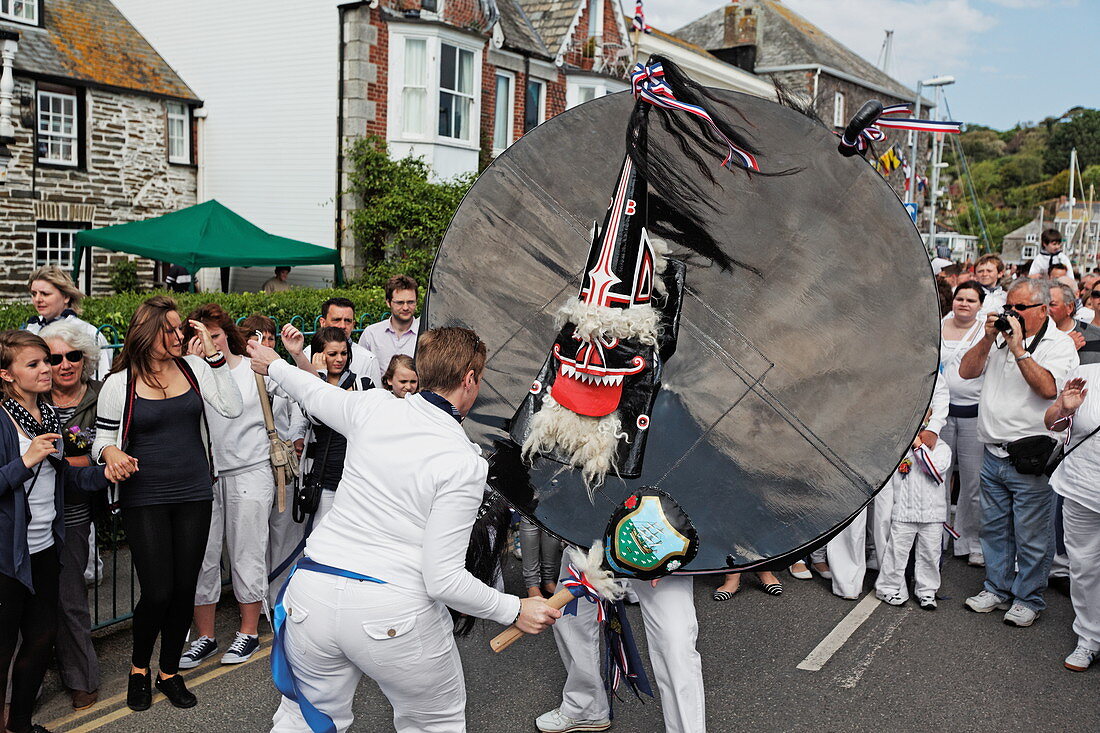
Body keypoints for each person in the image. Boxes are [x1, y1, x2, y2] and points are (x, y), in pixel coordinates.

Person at [248, 326, 560, 732]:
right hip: (392, 612)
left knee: (301, 721)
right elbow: (443, 579)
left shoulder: (373, 406)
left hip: (312, 597)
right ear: (469, 379)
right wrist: (516, 609)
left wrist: (273, 364)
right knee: (435, 724)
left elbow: (312, 392)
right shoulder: (463, 462)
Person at [91, 295, 243, 712]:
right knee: (157, 591)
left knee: (183, 589)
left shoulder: (193, 368)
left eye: (182, 328)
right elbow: (101, 441)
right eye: (171, 330)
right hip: (145, 496)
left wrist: (213, 356)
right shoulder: (119, 383)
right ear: (147, 332)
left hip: (194, 492)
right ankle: (139, 668)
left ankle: (169, 671)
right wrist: (110, 454)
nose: (180, 336)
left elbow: (231, 407)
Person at [0, 330, 111, 733]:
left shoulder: (49, 416)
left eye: (46, 361)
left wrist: (106, 475)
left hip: (47, 544)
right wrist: (25, 461)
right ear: (7, 374)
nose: (47, 368)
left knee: (40, 638)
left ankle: (21, 725)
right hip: (7, 555)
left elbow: (65, 480)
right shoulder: (2, 419)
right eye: (34, 364)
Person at [959, 278, 1079, 626]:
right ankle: (997, 589)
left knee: (1031, 536)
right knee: (993, 530)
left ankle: (1029, 598)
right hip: (992, 452)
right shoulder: (997, 337)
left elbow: (1047, 390)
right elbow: (967, 371)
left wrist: (1020, 349)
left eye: (1020, 308)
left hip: (1030, 458)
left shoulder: (1058, 345)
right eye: (1009, 306)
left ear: (1043, 310)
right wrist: (986, 337)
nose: (1012, 314)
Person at [179, 304, 279, 671]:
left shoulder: (252, 369)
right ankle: (204, 637)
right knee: (202, 555)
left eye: (215, 336)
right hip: (204, 475)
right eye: (199, 337)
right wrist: (191, 365)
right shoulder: (188, 372)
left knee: (247, 552)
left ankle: (249, 630)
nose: (207, 344)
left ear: (227, 335)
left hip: (249, 471)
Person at [39, 321, 104, 710]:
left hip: (74, 509)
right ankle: (19, 691)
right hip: (29, 512)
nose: (64, 365)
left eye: (73, 356)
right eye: (54, 358)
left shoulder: (101, 395)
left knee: (70, 597)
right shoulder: (30, 393)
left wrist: (57, 454)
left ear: (86, 358)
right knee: (23, 600)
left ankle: (81, 677)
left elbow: (94, 455)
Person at [1045, 373, 1100, 671]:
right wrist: (1063, 410)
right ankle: (1089, 638)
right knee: (1083, 567)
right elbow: (1052, 423)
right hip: (1082, 490)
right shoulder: (1089, 375)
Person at [875, 429, 953, 609]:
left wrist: (919, 446)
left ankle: (927, 591)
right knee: (896, 553)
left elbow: (934, 470)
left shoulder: (942, 448)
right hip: (904, 512)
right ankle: (887, 587)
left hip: (933, 514)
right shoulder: (902, 446)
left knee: (930, 555)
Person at [940, 282, 989, 566]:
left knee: (972, 484)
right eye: (960, 298)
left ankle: (970, 541)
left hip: (973, 415)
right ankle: (938, 537)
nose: (964, 304)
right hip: (942, 415)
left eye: (971, 300)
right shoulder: (940, 323)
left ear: (981, 304)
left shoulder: (986, 332)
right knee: (939, 479)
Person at [23, 266, 112, 380]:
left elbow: (102, 376)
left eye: (45, 294)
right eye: (34, 294)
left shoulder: (87, 332)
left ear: (66, 297)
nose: (38, 299)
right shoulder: (31, 329)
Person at [304, 298, 381, 388]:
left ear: (353, 324)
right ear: (323, 322)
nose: (342, 326)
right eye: (336, 320)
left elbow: (377, 399)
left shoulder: (368, 360)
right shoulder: (307, 353)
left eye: (348, 321)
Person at [357, 275, 419, 372]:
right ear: (388, 302)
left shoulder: (425, 333)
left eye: (411, 302)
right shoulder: (371, 334)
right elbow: (360, 369)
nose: (406, 307)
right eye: (400, 302)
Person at [1049, 280, 1100, 365]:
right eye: (1042, 304)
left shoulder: (1096, 335)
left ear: (1069, 307)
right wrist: (1065, 347)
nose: (1046, 309)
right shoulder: (1031, 335)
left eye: (1052, 305)